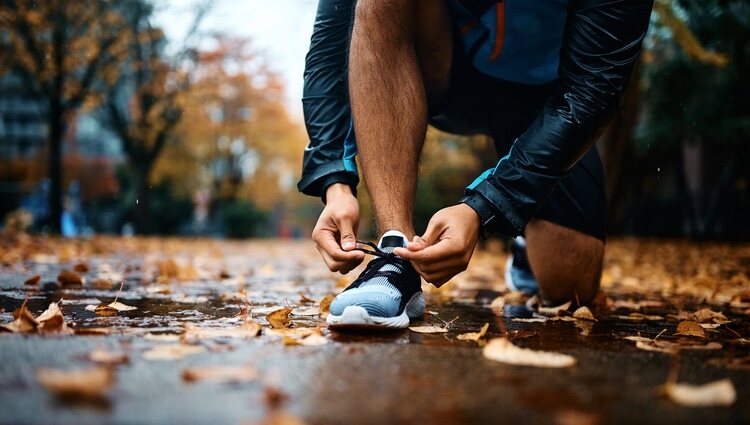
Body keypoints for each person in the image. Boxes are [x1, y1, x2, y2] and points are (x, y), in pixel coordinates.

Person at [298, 0, 654, 329]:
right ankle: (394, 257)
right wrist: (336, 183)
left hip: (550, 97)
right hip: (446, 66)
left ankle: (524, 239)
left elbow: (592, 91)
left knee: (571, 287)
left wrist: (486, 207)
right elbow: (329, 52)